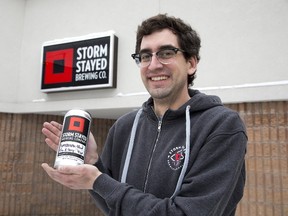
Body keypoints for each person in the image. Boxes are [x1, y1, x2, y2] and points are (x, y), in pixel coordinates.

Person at [42, 14, 247, 216]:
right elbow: (114, 208)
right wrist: (94, 163)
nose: (153, 65)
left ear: (191, 64)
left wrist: (98, 180)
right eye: (145, 56)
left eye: (166, 53)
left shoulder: (222, 126)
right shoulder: (125, 126)